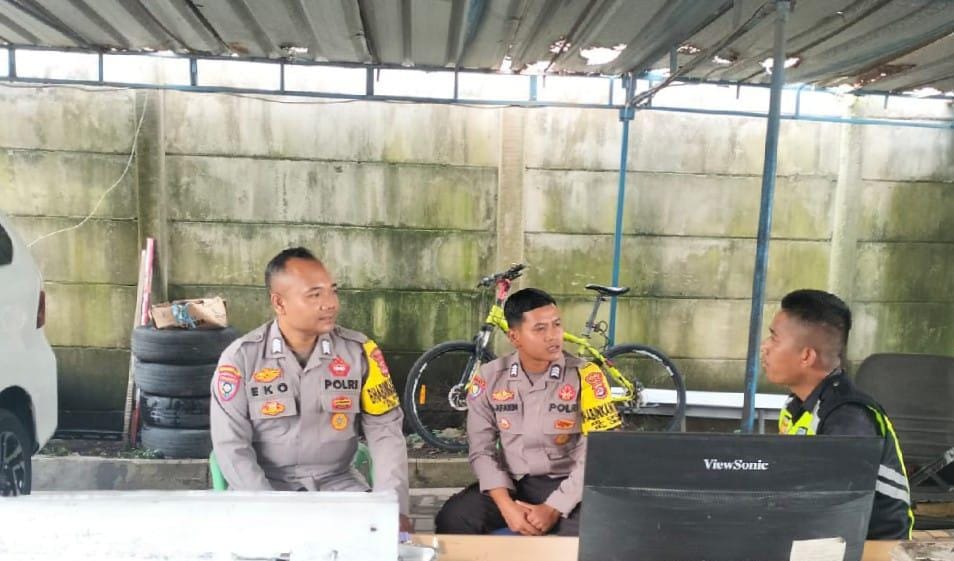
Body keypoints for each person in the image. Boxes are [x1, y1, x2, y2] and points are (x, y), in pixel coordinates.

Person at [210, 247, 411, 532]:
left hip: (338, 486)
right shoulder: (241, 359)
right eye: (315, 295)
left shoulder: (360, 353)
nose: (330, 304)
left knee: (377, 542)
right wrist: (266, 510)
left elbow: (386, 432)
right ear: (279, 303)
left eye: (332, 292)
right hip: (266, 489)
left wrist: (392, 506)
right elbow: (231, 446)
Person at [435, 288, 622, 536]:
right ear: (515, 337)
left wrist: (554, 507)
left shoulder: (586, 377)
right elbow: (481, 450)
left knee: (598, 530)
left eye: (557, 325)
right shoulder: (490, 377)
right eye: (540, 329)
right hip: (516, 483)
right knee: (454, 518)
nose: (553, 336)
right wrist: (507, 507)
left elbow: (600, 451)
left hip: (571, 485)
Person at [762, 288, 914, 540]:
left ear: (806, 356)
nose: (765, 346)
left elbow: (838, 513)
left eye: (774, 338)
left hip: (870, 548)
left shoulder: (848, 418)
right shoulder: (797, 405)